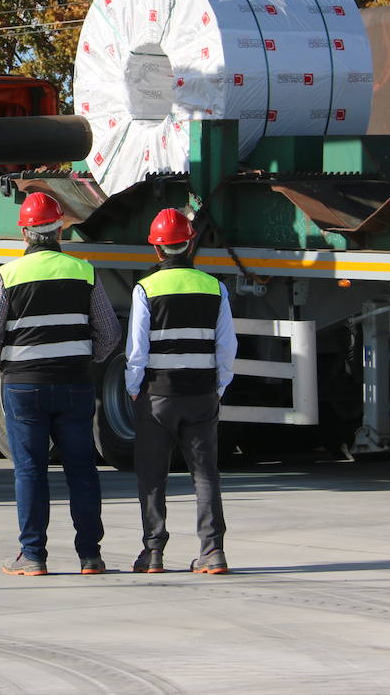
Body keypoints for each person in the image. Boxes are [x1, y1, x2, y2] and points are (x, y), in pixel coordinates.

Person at [0, 192, 120, 577]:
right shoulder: (84, 271)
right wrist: (83, 360)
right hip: (74, 383)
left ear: (25, 232)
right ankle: (90, 556)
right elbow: (109, 333)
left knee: (30, 471)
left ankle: (33, 556)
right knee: (82, 470)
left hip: (24, 387)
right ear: (60, 229)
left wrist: (8, 367)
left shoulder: (8, 275)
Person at [126, 207, 237, 575]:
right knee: (205, 473)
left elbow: (137, 350)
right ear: (190, 244)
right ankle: (213, 551)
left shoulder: (146, 288)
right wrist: (218, 386)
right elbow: (226, 347)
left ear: (157, 250)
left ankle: (153, 553)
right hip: (202, 394)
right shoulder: (214, 287)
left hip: (158, 395)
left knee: (152, 474)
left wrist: (134, 388)